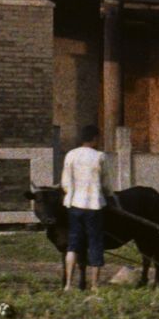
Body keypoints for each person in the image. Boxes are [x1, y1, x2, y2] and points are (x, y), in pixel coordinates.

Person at [59, 125, 108, 292]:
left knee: (73, 245)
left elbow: (65, 182)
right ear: (94, 139)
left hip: (74, 205)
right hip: (94, 205)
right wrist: (108, 194)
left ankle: (68, 285)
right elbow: (105, 183)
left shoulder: (70, 155)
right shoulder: (100, 156)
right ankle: (94, 285)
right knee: (95, 243)